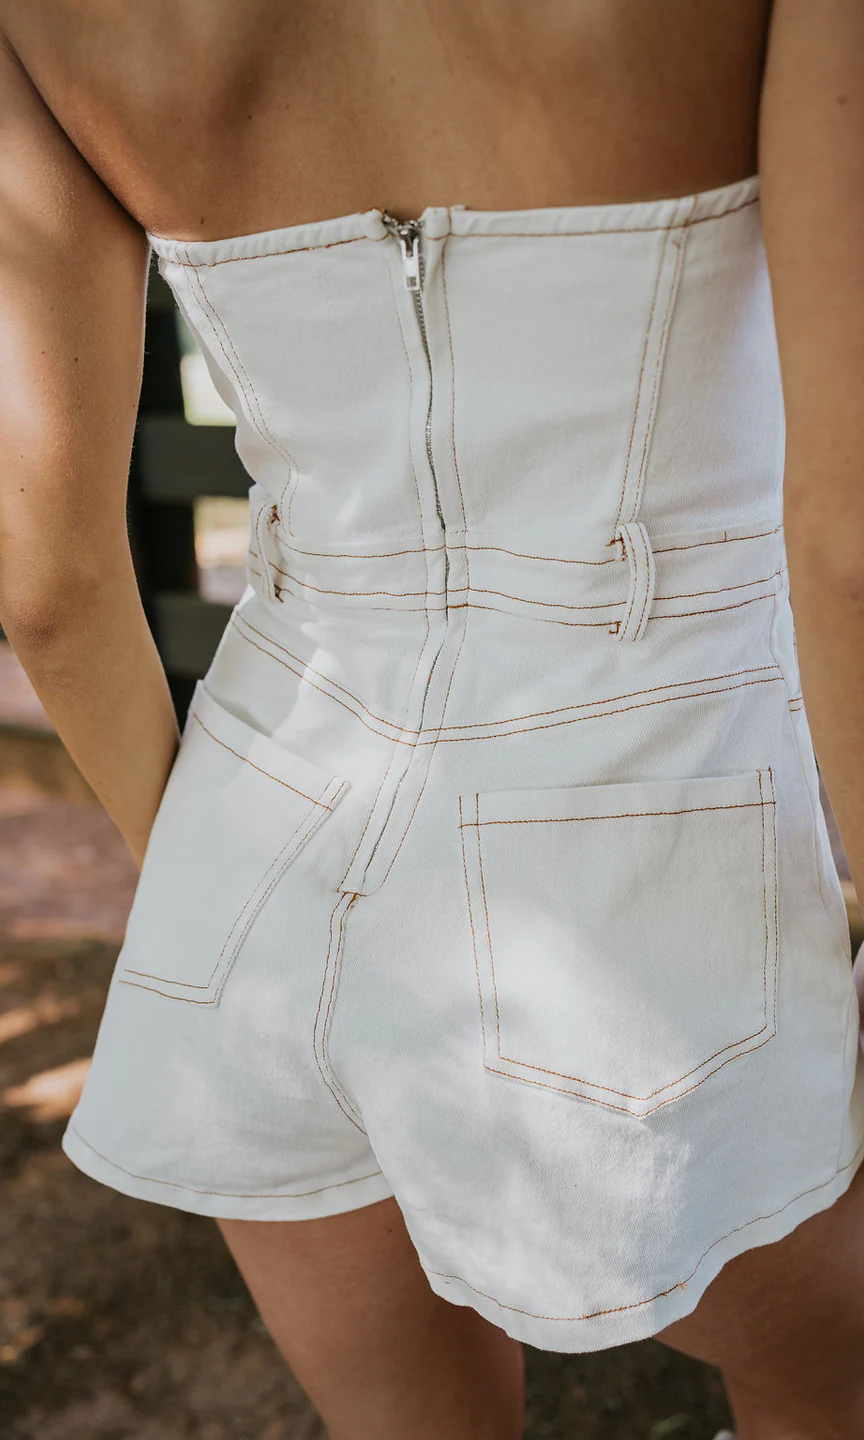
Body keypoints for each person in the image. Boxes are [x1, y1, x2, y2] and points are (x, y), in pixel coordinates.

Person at [1, 2, 863, 1436]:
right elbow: (846, 537)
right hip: (664, 791)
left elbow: (48, 583)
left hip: (268, 804)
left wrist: (210, 880)